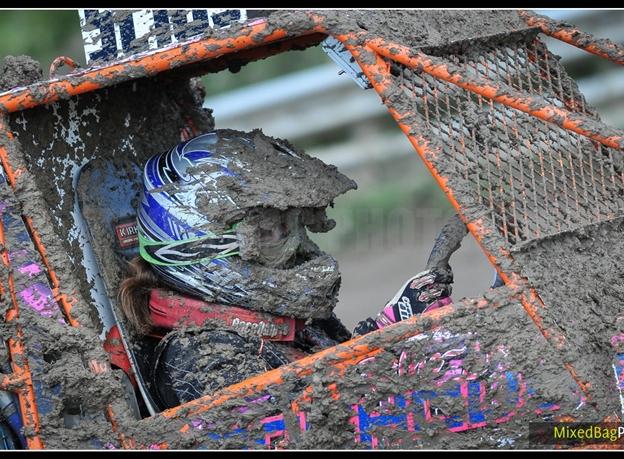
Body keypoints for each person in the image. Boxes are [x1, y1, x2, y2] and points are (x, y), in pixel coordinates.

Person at [118, 129, 456, 409]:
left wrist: (389, 333)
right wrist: (389, 354)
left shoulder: (281, 321)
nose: (293, 246)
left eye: (291, 226)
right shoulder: (200, 361)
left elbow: (331, 378)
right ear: (199, 244)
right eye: (268, 232)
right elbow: (321, 429)